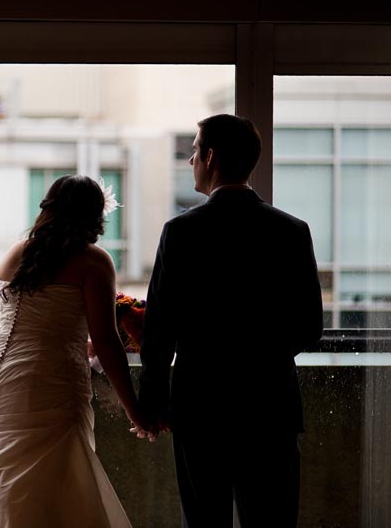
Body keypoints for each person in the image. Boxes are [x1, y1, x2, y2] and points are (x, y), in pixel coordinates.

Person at [0, 175, 146, 527]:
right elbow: (105, 342)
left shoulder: (19, 254)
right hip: (46, 381)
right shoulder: (94, 262)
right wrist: (136, 410)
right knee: (49, 476)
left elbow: (43, 328)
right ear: (94, 215)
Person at [137, 114, 323, 526]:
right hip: (270, 403)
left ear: (211, 156)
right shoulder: (292, 231)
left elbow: (159, 329)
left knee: (204, 520)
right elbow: (310, 327)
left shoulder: (181, 232)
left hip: (200, 403)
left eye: (193, 151)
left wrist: (151, 400)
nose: (190, 161)